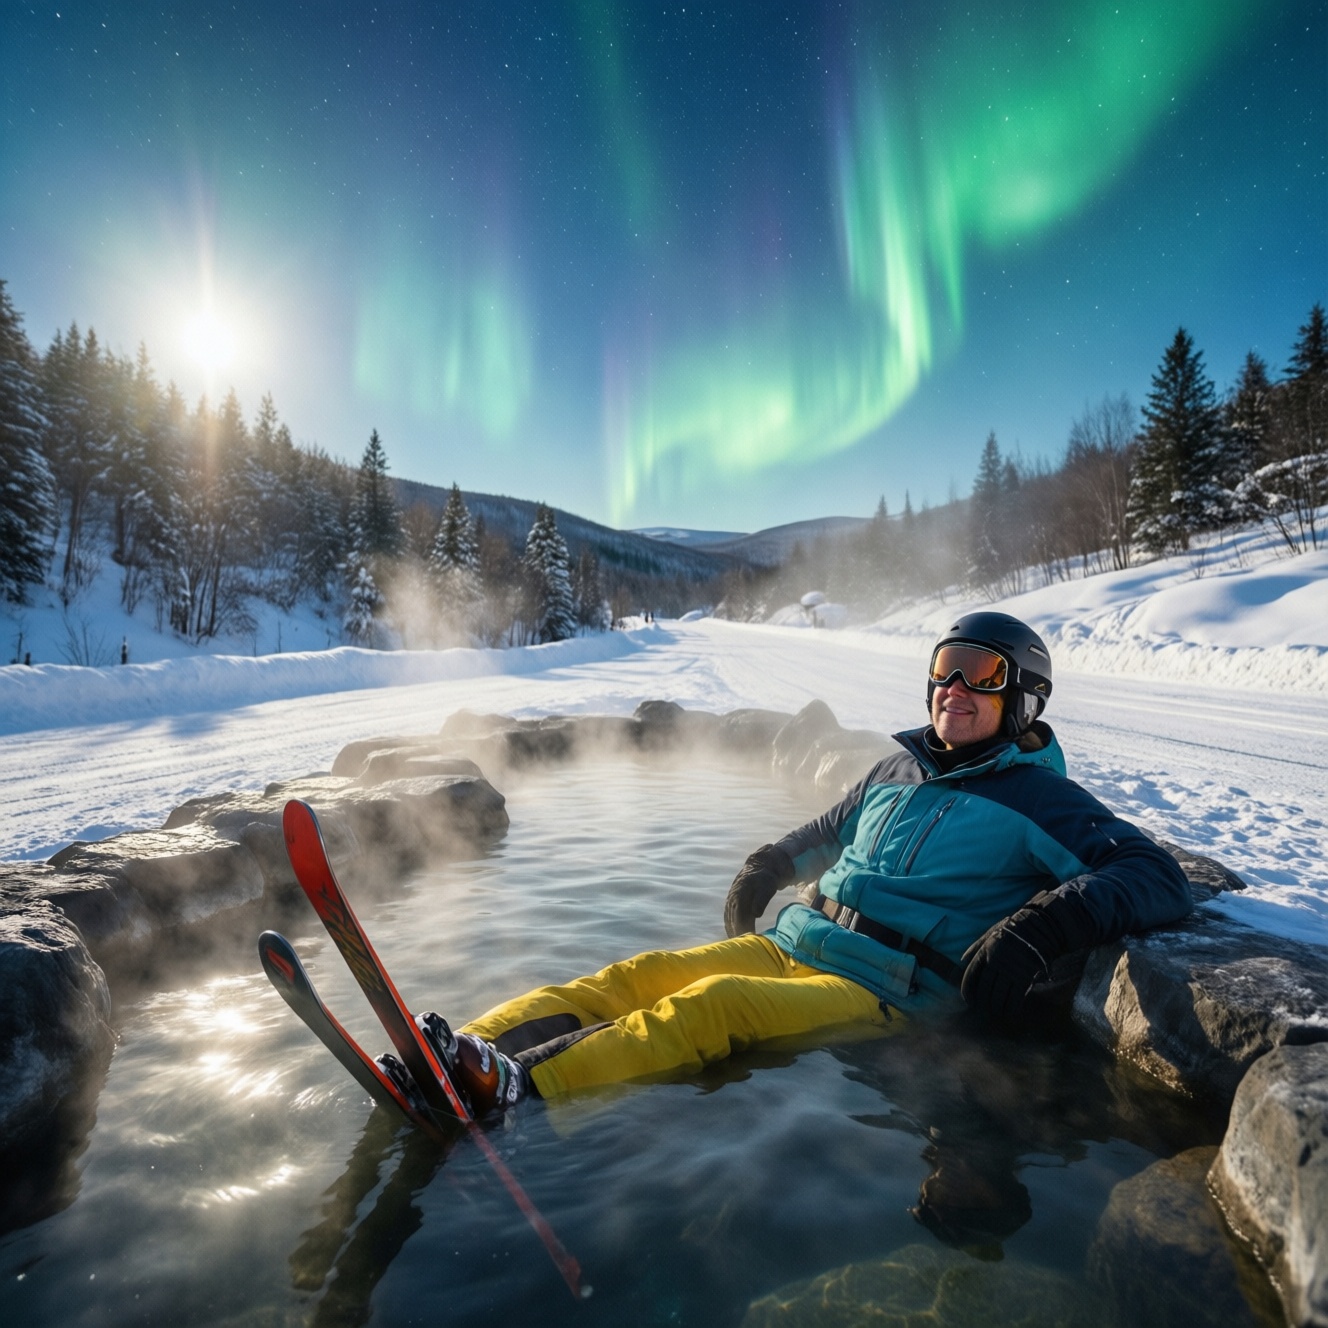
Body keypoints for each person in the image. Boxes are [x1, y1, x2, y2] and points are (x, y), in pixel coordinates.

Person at [418, 611, 1192, 1119]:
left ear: (1023, 697)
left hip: (886, 986)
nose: (954, 688)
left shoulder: (1040, 799)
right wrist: (770, 863)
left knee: (709, 1006)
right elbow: (829, 827)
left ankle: (517, 1086)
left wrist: (1038, 927)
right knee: (633, 976)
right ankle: (455, 1050)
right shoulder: (899, 770)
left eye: (982, 674)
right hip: (798, 941)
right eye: (946, 667)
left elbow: (1154, 874)